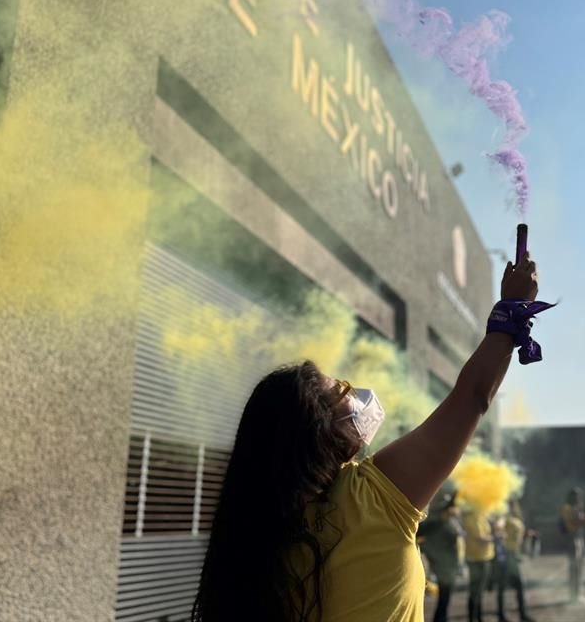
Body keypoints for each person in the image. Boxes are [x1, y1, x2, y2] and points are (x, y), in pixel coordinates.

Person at [191, 254, 542, 622]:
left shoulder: (252, 542)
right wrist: (513, 308)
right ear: (322, 433)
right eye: (340, 390)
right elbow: (473, 396)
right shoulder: (372, 499)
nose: (354, 392)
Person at [418, 494, 465, 622]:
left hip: (449, 564)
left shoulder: (449, 522)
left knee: (445, 598)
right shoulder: (436, 523)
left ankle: (441, 618)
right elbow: (421, 537)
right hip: (442, 566)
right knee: (444, 597)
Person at [497, 500, 535, 622]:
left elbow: (516, 534)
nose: (512, 506)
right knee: (508, 585)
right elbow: (499, 529)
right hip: (507, 555)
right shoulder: (504, 518)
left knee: (512, 586)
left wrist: (527, 534)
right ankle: (508, 615)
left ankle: (514, 614)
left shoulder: (514, 517)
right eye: (509, 504)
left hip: (513, 554)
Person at [462, 508, 495, 622]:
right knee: (475, 591)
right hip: (476, 558)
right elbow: (481, 538)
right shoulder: (471, 518)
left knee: (480, 591)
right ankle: (473, 617)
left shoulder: (481, 517)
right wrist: (495, 538)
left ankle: (478, 617)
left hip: (484, 557)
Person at [560, 488, 585, 603]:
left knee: (580, 566)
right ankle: (573, 595)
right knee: (574, 568)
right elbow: (578, 521)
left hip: (578, 537)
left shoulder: (575, 508)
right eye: (577, 497)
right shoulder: (567, 508)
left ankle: (577, 594)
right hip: (572, 538)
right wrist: (582, 513)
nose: (579, 499)